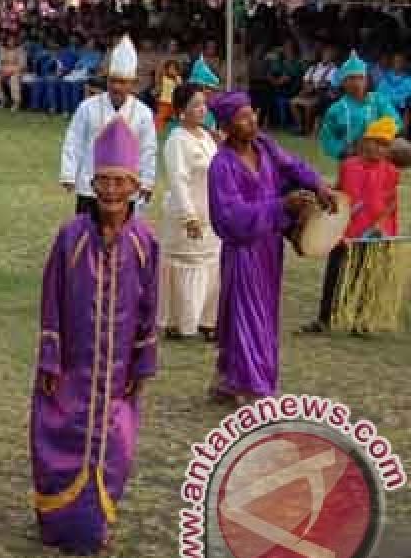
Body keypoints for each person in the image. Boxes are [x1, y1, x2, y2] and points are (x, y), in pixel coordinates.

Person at [31, 116, 158, 556]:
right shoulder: (70, 238)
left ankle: (96, 522)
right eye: (102, 181)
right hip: (72, 368)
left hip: (118, 372)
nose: (110, 191)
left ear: (135, 186)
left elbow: (149, 308)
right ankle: (59, 524)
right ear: (91, 183)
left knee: (114, 447)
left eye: (119, 182)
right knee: (61, 441)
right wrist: (49, 360)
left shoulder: (145, 242)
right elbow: (52, 300)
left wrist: (143, 363)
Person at [207, 92, 333, 405]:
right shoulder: (221, 166)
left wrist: (318, 184)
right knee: (248, 316)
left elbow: (295, 167)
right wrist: (280, 206)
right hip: (243, 251)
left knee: (264, 314)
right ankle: (256, 388)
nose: (252, 121)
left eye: (252, 114)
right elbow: (229, 218)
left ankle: (230, 380)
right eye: (243, 117)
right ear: (226, 125)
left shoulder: (265, 146)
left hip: (269, 248)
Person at [301, 117, 401, 335]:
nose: (379, 148)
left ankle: (361, 321)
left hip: (372, 235)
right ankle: (324, 319)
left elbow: (391, 203)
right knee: (335, 275)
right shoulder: (348, 166)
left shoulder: (392, 172)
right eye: (376, 142)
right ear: (365, 142)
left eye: (385, 145)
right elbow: (338, 193)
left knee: (366, 278)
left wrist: (382, 228)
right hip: (344, 232)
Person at [60, 35, 157, 214]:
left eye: (122, 82)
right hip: (90, 185)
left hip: (127, 187)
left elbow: (148, 149)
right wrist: (68, 173)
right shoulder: (87, 107)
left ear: (132, 84)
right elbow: (73, 140)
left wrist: (147, 181)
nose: (116, 87)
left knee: (122, 238)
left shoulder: (143, 113)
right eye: (112, 81)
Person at [158, 85, 221, 341]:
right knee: (186, 265)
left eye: (204, 104)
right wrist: (189, 216)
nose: (202, 109)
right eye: (196, 104)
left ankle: (208, 320)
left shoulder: (206, 137)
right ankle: (177, 321)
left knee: (211, 264)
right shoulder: (177, 141)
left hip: (211, 212)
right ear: (181, 110)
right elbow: (178, 180)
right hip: (187, 213)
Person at [318, 51, 402, 162]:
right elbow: (327, 137)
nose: (356, 83)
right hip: (351, 158)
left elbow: (395, 122)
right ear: (343, 82)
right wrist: (342, 150)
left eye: (360, 78)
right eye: (351, 78)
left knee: (403, 147)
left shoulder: (379, 101)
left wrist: (376, 137)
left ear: (366, 80)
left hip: (379, 156)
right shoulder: (336, 109)